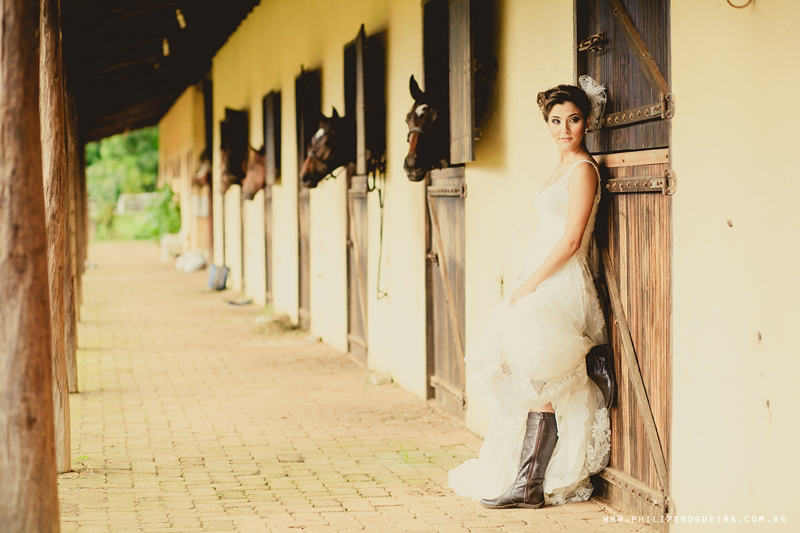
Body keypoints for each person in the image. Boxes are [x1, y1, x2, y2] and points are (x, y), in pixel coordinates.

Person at [448, 76, 611, 509]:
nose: (564, 129)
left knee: (543, 369)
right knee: (526, 369)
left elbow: (572, 238)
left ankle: (530, 482)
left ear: (587, 122)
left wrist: (533, 281)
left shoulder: (583, 170)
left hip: (562, 279)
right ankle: (527, 479)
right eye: (556, 120)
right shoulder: (559, 167)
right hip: (542, 274)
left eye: (574, 120)